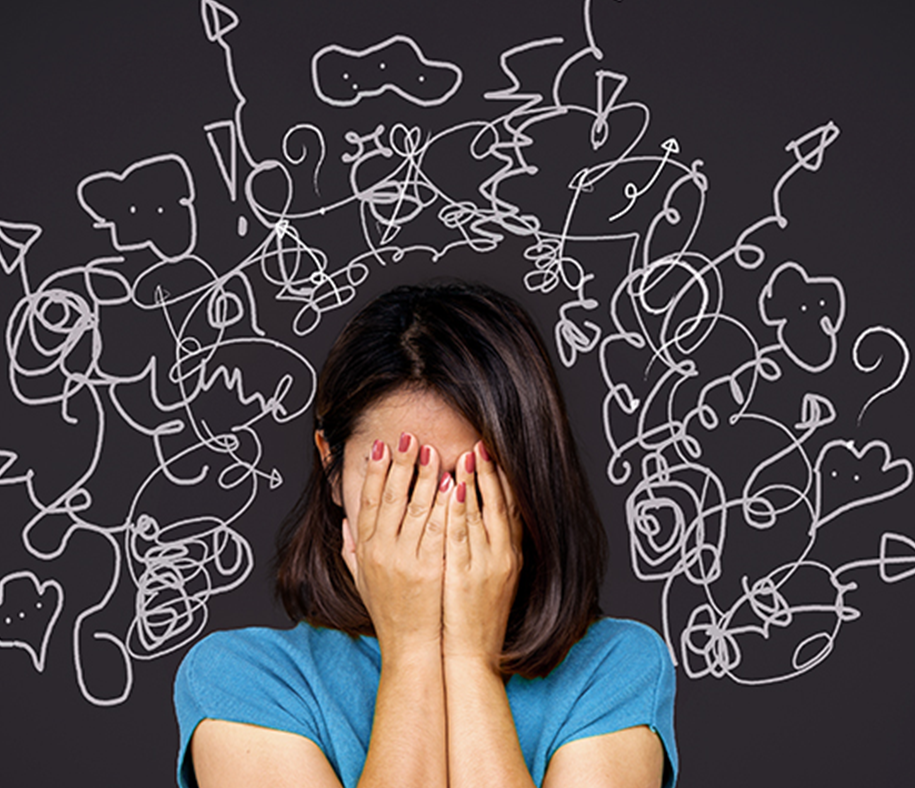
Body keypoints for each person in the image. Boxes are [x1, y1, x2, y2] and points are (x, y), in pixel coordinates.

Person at [174, 282, 677, 788]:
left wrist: (468, 661)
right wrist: (412, 650)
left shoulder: (615, 668)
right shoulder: (243, 682)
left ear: (529, 478)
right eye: (405, 480)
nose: (437, 514)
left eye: (471, 480)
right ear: (332, 466)